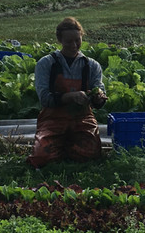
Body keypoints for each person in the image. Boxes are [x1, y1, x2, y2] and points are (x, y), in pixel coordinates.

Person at [27, 16, 108, 167]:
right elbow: (44, 98)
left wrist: (98, 98)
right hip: (53, 119)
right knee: (42, 156)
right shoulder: (46, 64)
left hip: (82, 118)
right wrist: (70, 97)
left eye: (77, 40)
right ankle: (63, 147)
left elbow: (99, 94)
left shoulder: (92, 66)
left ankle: (64, 148)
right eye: (69, 41)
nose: (74, 45)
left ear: (82, 37)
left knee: (92, 153)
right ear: (60, 40)